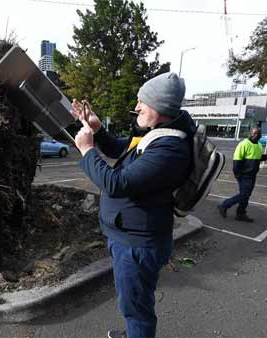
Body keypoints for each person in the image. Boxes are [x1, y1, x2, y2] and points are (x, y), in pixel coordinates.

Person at [72, 72, 195, 338]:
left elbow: (115, 183)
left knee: (136, 308)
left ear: (160, 107)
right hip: (127, 238)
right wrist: (96, 129)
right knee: (132, 301)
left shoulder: (170, 148)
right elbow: (119, 149)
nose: (136, 107)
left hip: (138, 246)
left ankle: (136, 333)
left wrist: (86, 150)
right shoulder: (154, 134)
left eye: (142, 101)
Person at [217, 127, 267, 222]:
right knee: (244, 194)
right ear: (250, 134)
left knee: (246, 195)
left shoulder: (259, 145)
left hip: (252, 174)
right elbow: (237, 160)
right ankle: (224, 205)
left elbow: (258, 158)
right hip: (243, 174)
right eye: (255, 134)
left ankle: (241, 214)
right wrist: (237, 174)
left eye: (259, 134)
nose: (257, 136)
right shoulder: (243, 144)